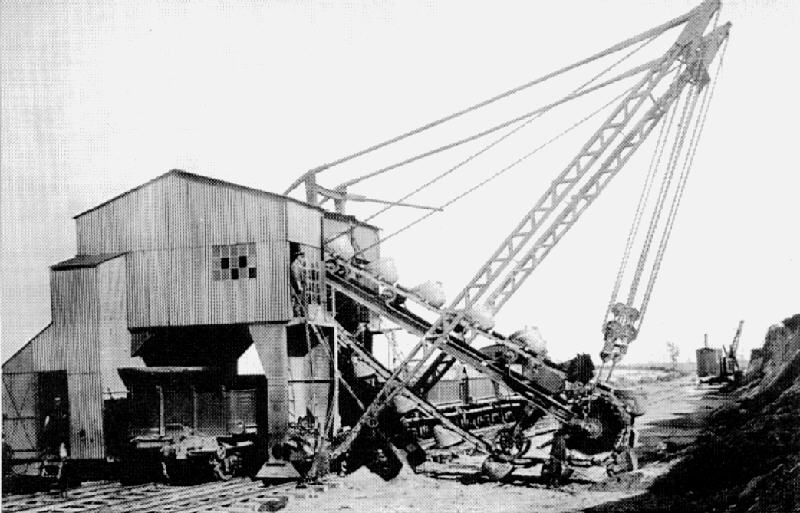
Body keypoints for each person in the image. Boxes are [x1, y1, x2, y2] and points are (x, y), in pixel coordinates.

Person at [290, 251, 307, 316]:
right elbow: (296, 276)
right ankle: (297, 314)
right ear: (298, 257)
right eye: (302, 257)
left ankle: (302, 313)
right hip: (297, 284)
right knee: (298, 299)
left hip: (301, 283)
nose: (303, 259)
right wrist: (299, 286)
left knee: (302, 299)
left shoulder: (299, 264)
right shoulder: (295, 265)